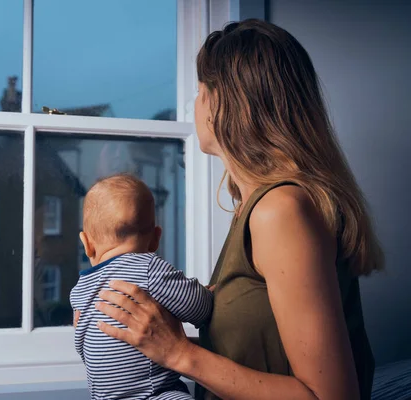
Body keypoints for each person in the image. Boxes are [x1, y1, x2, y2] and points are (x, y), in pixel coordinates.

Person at [94, 19, 383, 400]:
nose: (193, 105)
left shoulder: (280, 210)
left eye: (199, 92)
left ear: (226, 104)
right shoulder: (253, 206)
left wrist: (180, 354)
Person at [70, 174, 213, 399]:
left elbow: (83, 347)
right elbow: (200, 308)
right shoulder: (148, 269)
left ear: (87, 243)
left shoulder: (80, 291)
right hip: (154, 394)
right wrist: (205, 293)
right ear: (156, 238)